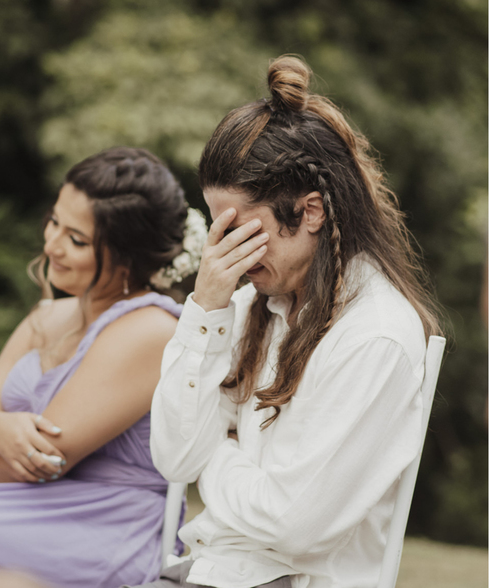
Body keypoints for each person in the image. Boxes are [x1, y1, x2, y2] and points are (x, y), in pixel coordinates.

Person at [143, 56, 442, 588]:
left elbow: (292, 525)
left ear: (310, 212)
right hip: (204, 573)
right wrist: (204, 310)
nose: (229, 254)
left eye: (245, 232)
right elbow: (173, 458)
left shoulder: (374, 335)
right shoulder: (243, 309)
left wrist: (220, 449)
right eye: (220, 232)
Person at [0, 147, 191, 588]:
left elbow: (18, 468)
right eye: (54, 222)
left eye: (77, 240)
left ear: (127, 259)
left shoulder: (148, 330)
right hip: (22, 510)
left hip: (102, 527)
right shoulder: (44, 319)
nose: (51, 245)